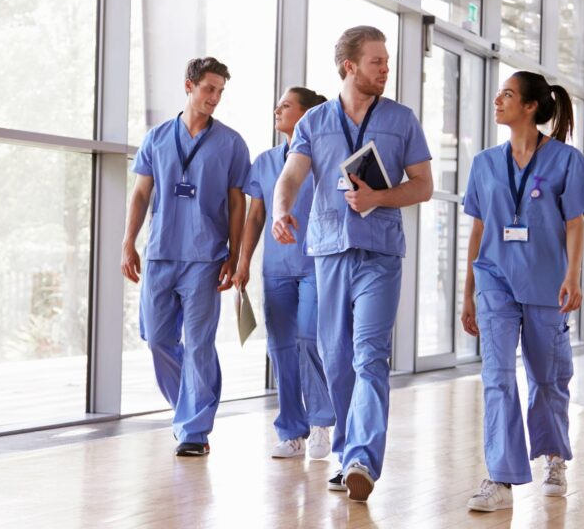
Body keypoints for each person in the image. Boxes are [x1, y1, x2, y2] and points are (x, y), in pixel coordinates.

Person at [271, 26, 433, 502]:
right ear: (350, 67)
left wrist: (379, 197)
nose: (386, 69)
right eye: (377, 62)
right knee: (337, 359)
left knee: (369, 355)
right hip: (328, 252)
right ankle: (346, 455)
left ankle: (362, 456)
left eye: (386, 61)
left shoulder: (402, 120)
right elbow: (291, 176)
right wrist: (282, 211)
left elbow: (422, 184)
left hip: (380, 254)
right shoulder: (314, 122)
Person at [460, 71, 584, 511]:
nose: (497, 99)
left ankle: (554, 456)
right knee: (497, 377)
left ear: (530, 107)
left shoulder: (566, 160)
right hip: (495, 282)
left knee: (547, 378)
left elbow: (575, 223)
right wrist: (467, 292)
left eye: (507, 94)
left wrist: (573, 276)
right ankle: (500, 479)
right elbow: (478, 228)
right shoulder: (485, 163)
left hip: (546, 282)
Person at [121, 56, 250, 457]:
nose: (215, 98)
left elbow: (236, 203)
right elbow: (142, 193)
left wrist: (234, 253)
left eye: (220, 92)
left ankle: (194, 429)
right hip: (160, 253)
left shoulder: (231, 143)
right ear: (189, 86)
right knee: (158, 338)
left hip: (205, 257)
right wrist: (128, 242)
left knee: (198, 344)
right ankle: (187, 409)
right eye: (209, 89)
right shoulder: (157, 138)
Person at [232, 87, 335, 460]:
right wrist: (243, 262)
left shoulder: (324, 159)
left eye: (287, 105)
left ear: (308, 115)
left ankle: (322, 421)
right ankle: (292, 430)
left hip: (315, 264)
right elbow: (255, 215)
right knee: (281, 349)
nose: (278, 109)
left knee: (309, 339)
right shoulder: (264, 161)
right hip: (275, 269)